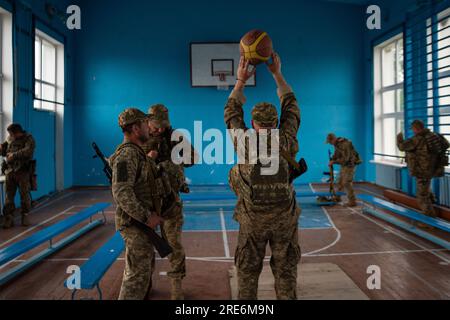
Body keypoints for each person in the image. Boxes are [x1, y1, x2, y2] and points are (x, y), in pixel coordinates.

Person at [225, 53, 301, 300]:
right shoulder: (287, 140)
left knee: (247, 273)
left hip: (252, 221)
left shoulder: (244, 142)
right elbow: (291, 107)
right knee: (286, 272)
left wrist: (240, 81)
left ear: (252, 122)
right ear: (277, 122)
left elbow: (230, 112)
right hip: (284, 220)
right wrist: (277, 73)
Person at [142, 104, 197, 300]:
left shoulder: (176, 136)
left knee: (173, 245)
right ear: (147, 122)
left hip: (170, 202)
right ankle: (144, 284)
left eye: (163, 126)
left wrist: (172, 161)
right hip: (146, 205)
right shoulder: (141, 138)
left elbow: (193, 159)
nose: (159, 130)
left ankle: (176, 286)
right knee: (144, 247)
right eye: (156, 126)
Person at [109, 108, 164, 300]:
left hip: (141, 223)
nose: (148, 127)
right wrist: (147, 217)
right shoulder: (126, 156)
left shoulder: (137, 153)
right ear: (135, 128)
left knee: (144, 269)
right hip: (135, 223)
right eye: (144, 124)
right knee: (136, 277)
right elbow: (121, 192)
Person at [397, 120, 450, 219]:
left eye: (413, 129)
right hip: (435, 169)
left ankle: (429, 219)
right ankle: (433, 205)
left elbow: (402, 147)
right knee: (426, 189)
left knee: (421, 195)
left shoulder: (417, 139)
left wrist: (399, 138)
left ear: (416, 128)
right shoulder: (435, 135)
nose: (412, 131)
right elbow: (447, 144)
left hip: (422, 170)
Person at [0, 124, 36, 228]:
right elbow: (5, 152)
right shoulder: (10, 139)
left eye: (11, 133)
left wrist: (14, 155)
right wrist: (1, 149)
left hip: (22, 172)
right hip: (10, 171)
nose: (10, 136)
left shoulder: (29, 139)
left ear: (17, 132)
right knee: (8, 196)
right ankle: (9, 218)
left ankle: (25, 216)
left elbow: (28, 152)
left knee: (24, 195)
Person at [326, 133, 362, 207]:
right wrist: (332, 159)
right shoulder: (337, 144)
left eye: (330, 142)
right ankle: (338, 198)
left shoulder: (344, 144)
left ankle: (352, 201)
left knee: (346, 182)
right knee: (340, 181)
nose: (330, 144)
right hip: (344, 164)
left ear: (333, 139)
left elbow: (346, 159)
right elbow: (336, 154)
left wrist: (334, 162)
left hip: (350, 164)